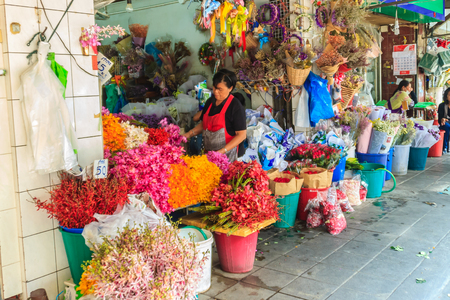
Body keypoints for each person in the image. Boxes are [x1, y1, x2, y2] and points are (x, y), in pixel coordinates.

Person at [183, 69, 247, 162]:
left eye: (220, 89)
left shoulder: (235, 107)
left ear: (230, 88)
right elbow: (206, 123)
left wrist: (221, 152)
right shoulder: (210, 102)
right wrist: (188, 134)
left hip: (228, 157)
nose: (216, 92)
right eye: (214, 87)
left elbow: (241, 135)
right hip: (210, 155)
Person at [438, 88, 450, 153]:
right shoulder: (442, 106)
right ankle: (445, 147)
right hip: (445, 123)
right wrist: (442, 119)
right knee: (446, 126)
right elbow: (439, 120)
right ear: (446, 96)